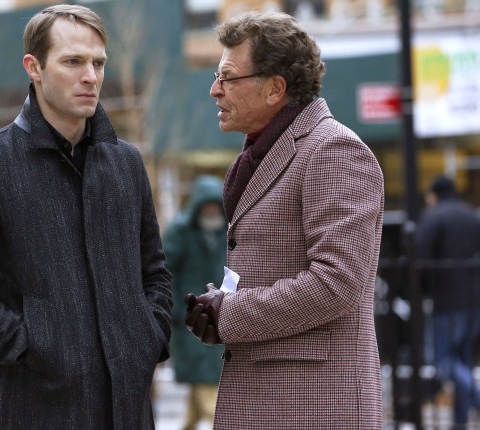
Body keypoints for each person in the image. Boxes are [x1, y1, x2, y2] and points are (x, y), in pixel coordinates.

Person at [0, 5, 172, 429]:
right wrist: (28, 345)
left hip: (129, 410)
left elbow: (155, 272)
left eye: (98, 63)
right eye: (72, 62)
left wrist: (148, 337)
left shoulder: (126, 163)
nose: (90, 76)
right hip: (35, 407)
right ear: (33, 67)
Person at [184, 11, 385, 428]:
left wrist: (230, 314)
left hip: (313, 408)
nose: (214, 89)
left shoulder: (333, 151)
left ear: (275, 88)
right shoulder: (264, 154)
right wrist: (218, 307)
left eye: (227, 77)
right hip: (273, 401)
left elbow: (337, 283)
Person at [162, 175, 226, 430]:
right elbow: (163, 272)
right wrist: (172, 308)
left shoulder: (227, 231)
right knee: (204, 379)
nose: (211, 211)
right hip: (187, 317)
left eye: (215, 206)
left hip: (221, 316)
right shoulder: (180, 232)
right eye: (206, 206)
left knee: (207, 377)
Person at [416, 175, 480, 426]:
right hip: (473, 300)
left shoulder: (433, 217)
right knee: (462, 359)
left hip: (446, 301)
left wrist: (422, 293)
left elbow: (420, 260)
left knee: (442, 359)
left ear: (435, 194)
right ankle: (460, 421)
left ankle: (476, 400)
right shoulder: (471, 216)